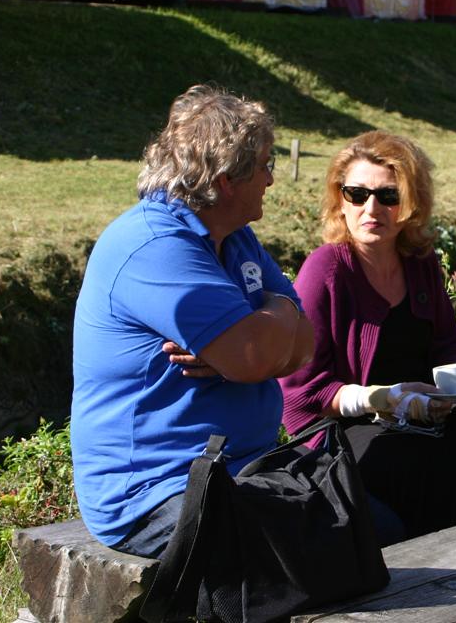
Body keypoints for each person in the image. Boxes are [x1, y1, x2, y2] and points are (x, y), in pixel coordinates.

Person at [71, 85, 315, 557]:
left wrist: (270, 322)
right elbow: (253, 357)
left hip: (241, 471)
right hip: (154, 493)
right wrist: (273, 320)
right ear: (226, 179)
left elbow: (303, 347)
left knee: (371, 520)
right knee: (305, 550)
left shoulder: (236, 238)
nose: (270, 179)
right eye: (265, 165)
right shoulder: (153, 247)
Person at [279, 130, 456, 543]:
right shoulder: (326, 271)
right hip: (353, 428)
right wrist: (386, 398)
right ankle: (440, 571)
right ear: (339, 200)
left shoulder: (419, 264)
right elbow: (301, 391)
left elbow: (447, 345)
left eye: (388, 196)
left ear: (410, 204)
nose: (371, 208)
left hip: (424, 419)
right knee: (420, 463)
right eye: (356, 194)